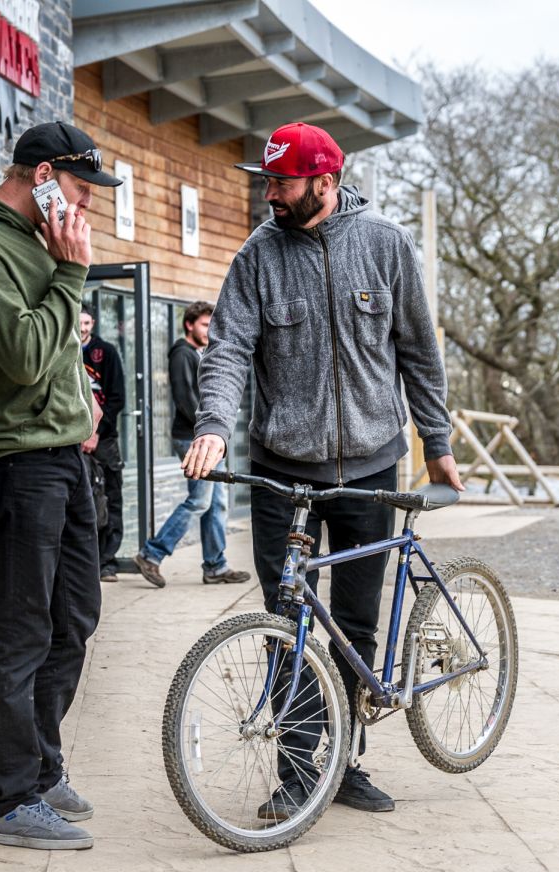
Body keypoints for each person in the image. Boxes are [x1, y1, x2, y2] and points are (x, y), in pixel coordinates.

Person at [182, 122, 464, 819]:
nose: (268, 193)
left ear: (326, 184)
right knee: (287, 622)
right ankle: (298, 772)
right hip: (285, 470)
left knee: (356, 625)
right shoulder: (258, 255)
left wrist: (437, 442)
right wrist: (214, 425)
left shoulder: (388, 246)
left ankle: (346, 760)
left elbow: (420, 355)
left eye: (280, 182)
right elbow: (226, 351)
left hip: (372, 466)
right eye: (267, 180)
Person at [0, 121, 122, 851]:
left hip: (59, 455)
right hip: (15, 463)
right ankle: (13, 800)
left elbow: (54, 352)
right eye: (81, 189)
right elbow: (20, 357)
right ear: (43, 175)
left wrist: (80, 399)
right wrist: (72, 272)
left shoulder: (34, 239)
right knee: (20, 631)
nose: (87, 207)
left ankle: (42, 770)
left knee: (76, 615)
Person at [132, 301, 251, 589]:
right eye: (204, 325)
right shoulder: (182, 354)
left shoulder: (198, 353)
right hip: (193, 438)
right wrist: (208, 432)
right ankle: (152, 553)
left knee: (216, 503)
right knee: (199, 501)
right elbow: (186, 399)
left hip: (203, 439)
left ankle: (215, 565)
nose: (209, 331)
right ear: (189, 325)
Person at [78, 305, 126, 581]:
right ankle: (86, 562)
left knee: (111, 496)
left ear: (93, 323)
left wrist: (96, 432)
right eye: (78, 322)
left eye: (86, 322)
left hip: (104, 439)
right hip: (75, 439)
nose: (82, 327)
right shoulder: (65, 348)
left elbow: (117, 398)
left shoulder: (105, 352)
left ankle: (108, 562)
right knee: (84, 499)